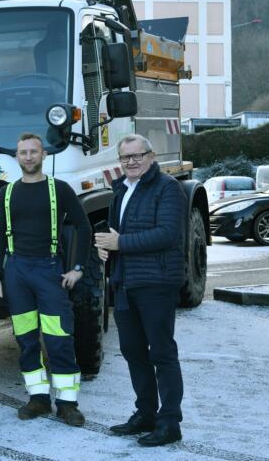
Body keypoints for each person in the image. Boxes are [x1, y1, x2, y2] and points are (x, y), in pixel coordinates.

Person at [0, 132, 91, 427]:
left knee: (59, 339)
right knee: (26, 339)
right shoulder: (6, 193)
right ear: (17, 157)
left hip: (49, 270)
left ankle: (68, 404)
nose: (29, 157)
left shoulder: (59, 189)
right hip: (16, 272)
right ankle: (38, 399)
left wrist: (78, 268)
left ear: (43, 155)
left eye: (34, 152)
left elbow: (84, 229)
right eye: (24, 152)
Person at [94, 134, 186, 447]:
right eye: (125, 157)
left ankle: (170, 422)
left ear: (151, 155)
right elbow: (115, 233)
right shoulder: (121, 191)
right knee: (133, 352)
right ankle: (146, 414)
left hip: (157, 283)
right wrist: (106, 249)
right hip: (124, 282)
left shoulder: (167, 188)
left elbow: (167, 234)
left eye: (137, 155)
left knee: (162, 353)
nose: (131, 162)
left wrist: (120, 243)